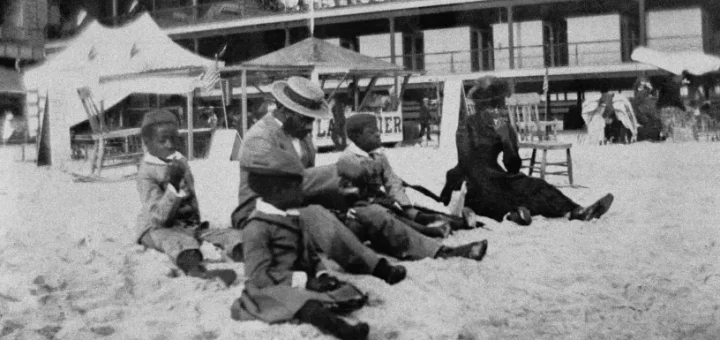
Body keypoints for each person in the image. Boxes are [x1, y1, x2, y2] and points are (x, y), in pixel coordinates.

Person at [233, 76, 407, 285]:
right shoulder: (258, 138)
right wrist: (338, 173)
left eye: (312, 120)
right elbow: (292, 181)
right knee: (316, 214)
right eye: (306, 119)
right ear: (285, 111)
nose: (310, 126)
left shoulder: (302, 136)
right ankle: (377, 266)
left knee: (367, 209)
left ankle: (431, 248)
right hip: (260, 211)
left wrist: (343, 197)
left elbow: (306, 185)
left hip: (295, 202)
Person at [230, 146, 370, 340]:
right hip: (270, 288)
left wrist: (320, 274)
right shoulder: (257, 227)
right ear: (276, 191)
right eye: (296, 188)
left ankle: (331, 302)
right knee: (305, 304)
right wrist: (304, 281)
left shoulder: (296, 217)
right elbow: (258, 275)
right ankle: (344, 331)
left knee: (342, 288)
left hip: (300, 281)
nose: (302, 192)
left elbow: (310, 254)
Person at [136, 109, 243, 285]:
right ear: (148, 143)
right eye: (162, 140)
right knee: (181, 243)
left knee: (232, 236)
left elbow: (193, 199)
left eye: (174, 139)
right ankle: (198, 271)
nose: (170, 145)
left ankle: (244, 254)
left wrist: (197, 224)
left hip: (187, 224)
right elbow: (159, 218)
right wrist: (174, 184)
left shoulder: (179, 160)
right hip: (157, 228)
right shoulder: (146, 173)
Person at [338, 112, 481, 235]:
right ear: (356, 137)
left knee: (415, 212)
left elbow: (391, 181)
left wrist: (405, 205)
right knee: (396, 218)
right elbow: (351, 195)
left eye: (378, 130)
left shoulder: (378, 155)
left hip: (381, 200)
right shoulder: (348, 159)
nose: (378, 134)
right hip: (364, 206)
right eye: (371, 132)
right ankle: (430, 231)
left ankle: (460, 222)